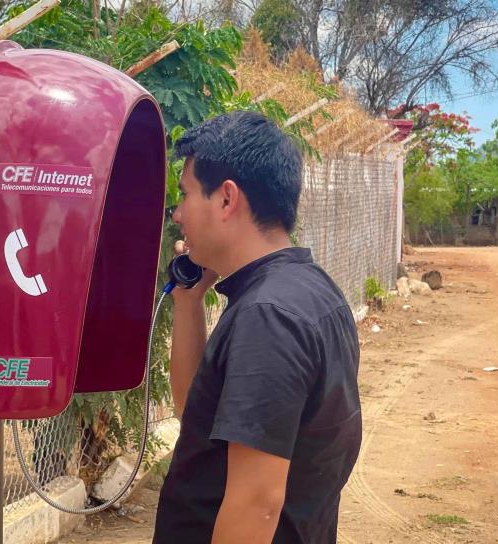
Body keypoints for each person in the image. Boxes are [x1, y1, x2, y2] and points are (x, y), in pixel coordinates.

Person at [153, 111, 362, 544]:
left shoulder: (269, 316)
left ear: (227, 200)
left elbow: (257, 502)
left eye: (186, 195)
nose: (177, 214)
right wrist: (189, 304)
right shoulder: (307, 290)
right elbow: (194, 414)